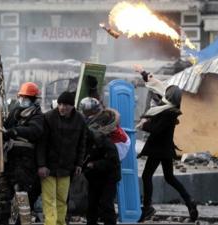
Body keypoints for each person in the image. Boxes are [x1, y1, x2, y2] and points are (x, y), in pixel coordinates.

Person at [134, 66, 198, 222]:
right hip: (165, 148)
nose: (162, 96)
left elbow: (156, 129)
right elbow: (157, 87)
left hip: (159, 149)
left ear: (169, 98)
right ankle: (190, 202)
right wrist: (143, 73)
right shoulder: (169, 107)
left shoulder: (168, 112)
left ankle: (147, 208)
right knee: (169, 177)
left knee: (146, 175)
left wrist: (144, 125)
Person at [0, 82, 44, 225]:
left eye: (27, 97)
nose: (23, 100)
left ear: (34, 99)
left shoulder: (38, 116)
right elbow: (5, 128)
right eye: (22, 97)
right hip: (9, 160)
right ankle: (2, 221)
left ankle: (24, 222)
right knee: (4, 194)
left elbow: (34, 131)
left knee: (22, 195)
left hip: (25, 163)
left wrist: (16, 131)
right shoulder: (14, 112)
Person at [36, 91, 86, 225]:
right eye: (60, 104)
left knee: (62, 200)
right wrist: (41, 165)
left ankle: (60, 223)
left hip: (66, 168)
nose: (62, 107)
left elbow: (82, 144)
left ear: (72, 106)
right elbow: (41, 144)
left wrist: (79, 164)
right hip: (49, 168)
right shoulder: (49, 117)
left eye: (66, 105)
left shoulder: (80, 120)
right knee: (49, 199)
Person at [80, 99, 121, 225]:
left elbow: (112, 162)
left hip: (108, 176)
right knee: (92, 204)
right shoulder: (88, 135)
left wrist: (94, 164)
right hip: (94, 176)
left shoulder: (102, 139)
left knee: (106, 205)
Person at [79, 97, 130, 161]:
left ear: (91, 111)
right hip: (116, 142)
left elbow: (92, 134)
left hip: (118, 144)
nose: (82, 112)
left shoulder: (101, 119)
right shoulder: (98, 114)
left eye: (84, 111)